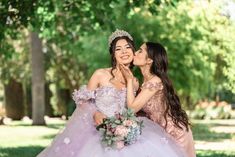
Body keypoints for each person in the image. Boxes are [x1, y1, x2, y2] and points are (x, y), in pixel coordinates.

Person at [37, 30, 185, 157]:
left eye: (128, 47)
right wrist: (95, 113)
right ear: (113, 54)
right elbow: (83, 100)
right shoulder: (100, 74)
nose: (124, 51)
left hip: (125, 133)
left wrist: (127, 127)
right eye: (118, 49)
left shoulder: (134, 82)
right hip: (97, 131)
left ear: (133, 52)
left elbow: (132, 109)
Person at [119, 42, 196, 157]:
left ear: (149, 60)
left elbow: (131, 109)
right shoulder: (146, 82)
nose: (135, 53)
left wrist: (129, 80)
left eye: (140, 51)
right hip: (162, 134)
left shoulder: (155, 81)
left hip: (175, 134)